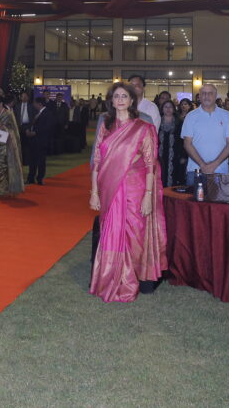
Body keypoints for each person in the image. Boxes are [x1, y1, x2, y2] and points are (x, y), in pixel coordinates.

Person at [89, 82, 167, 302]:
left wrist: (148, 195)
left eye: (125, 96)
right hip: (110, 188)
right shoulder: (105, 126)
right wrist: (94, 192)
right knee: (111, 231)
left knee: (133, 234)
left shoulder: (143, 127)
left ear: (132, 100)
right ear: (111, 101)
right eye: (117, 96)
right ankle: (109, 277)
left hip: (136, 188)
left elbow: (151, 164)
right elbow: (97, 160)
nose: (120, 100)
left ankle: (130, 279)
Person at [181, 83, 229, 185]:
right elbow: (187, 144)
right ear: (199, 96)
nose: (206, 96)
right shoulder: (191, 116)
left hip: (220, 170)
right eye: (203, 93)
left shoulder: (227, 116)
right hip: (195, 171)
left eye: (210, 93)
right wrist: (202, 165)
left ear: (215, 96)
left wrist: (214, 165)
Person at [26, 96, 57, 185]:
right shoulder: (36, 112)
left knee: (41, 161)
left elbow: (47, 127)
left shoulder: (48, 114)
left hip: (41, 141)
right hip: (33, 141)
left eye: (34, 103)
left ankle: (40, 178)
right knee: (32, 160)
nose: (33, 105)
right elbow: (32, 123)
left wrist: (35, 132)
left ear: (39, 104)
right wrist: (28, 130)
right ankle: (30, 178)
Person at [157, 99, 186, 186]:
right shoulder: (157, 121)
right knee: (160, 176)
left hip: (176, 155)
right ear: (162, 109)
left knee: (175, 178)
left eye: (170, 107)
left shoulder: (179, 122)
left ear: (174, 109)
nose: (168, 109)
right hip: (160, 155)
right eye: (165, 107)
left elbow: (183, 140)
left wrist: (183, 156)